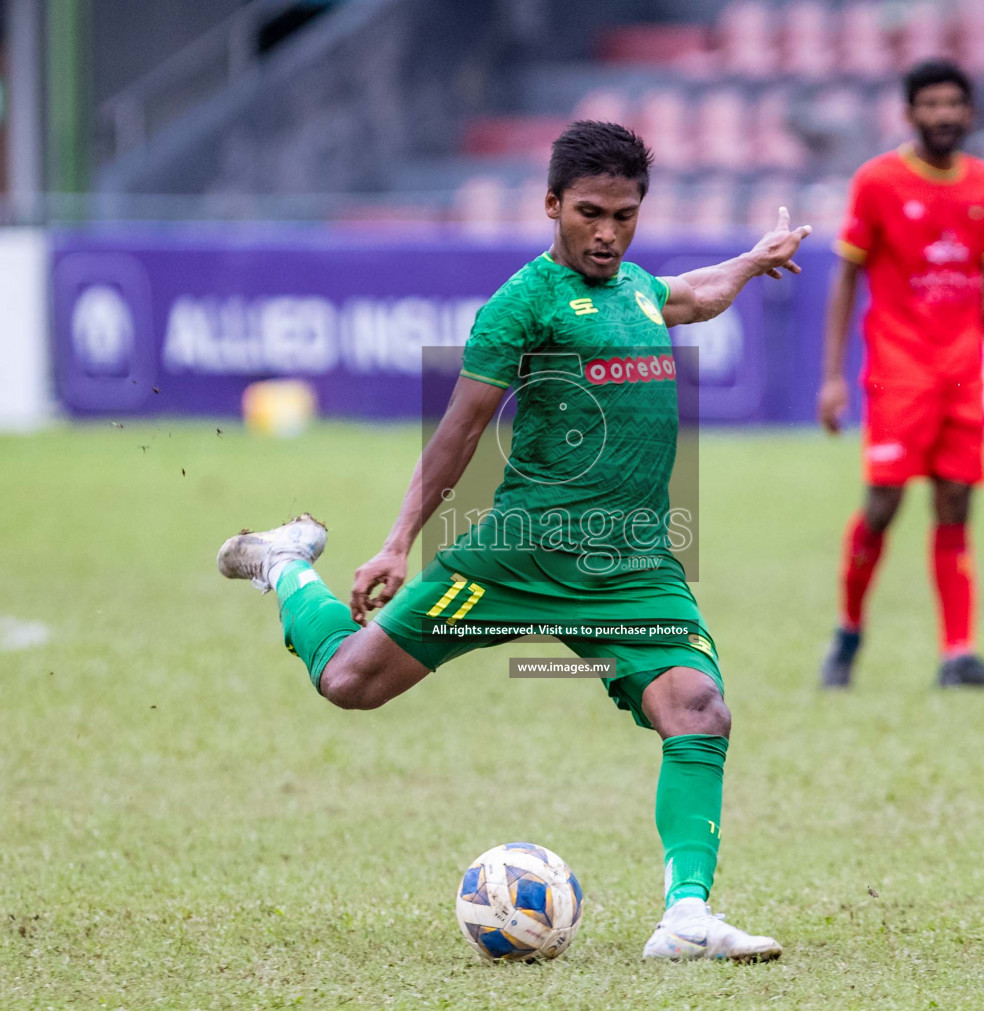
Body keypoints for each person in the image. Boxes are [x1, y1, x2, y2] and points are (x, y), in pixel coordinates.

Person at [215, 121, 810, 961]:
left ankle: (685, 917)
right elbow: (459, 434)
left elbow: (696, 293)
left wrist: (752, 260)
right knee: (350, 682)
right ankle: (284, 566)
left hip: (632, 565)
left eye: (625, 216)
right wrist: (395, 544)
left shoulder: (638, 288)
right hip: (519, 554)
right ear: (552, 206)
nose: (607, 233)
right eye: (590, 213)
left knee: (699, 709)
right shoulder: (523, 303)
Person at [817, 59, 984, 691]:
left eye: (953, 104)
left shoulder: (983, 182)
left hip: (962, 373)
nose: (943, 115)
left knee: (957, 504)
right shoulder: (878, 181)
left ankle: (958, 654)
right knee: (883, 504)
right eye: (930, 104)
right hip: (899, 371)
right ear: (909, 114)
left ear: (969, 113)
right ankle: (848, 634)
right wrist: (832, 376)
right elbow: (847, 276)